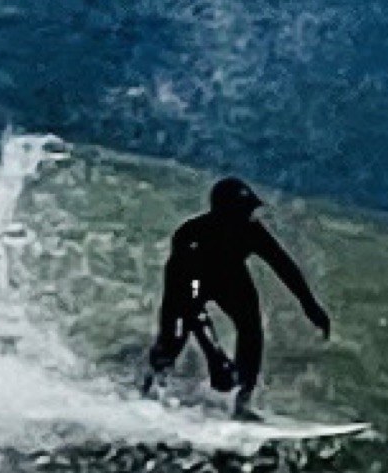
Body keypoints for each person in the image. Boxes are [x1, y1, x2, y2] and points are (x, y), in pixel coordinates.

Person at [141, 177, 332, 420]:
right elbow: (192, 307)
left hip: (229, 277)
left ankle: (242, 402)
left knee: (251, 327)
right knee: (173, 339)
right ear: (223, 212)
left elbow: (283, 265)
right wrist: (215, 356)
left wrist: (310, 305)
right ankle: (149, 393)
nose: (250, 216)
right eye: (243, 211)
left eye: (251, 210)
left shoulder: (251, 230)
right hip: (186, 282)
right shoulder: (190, 237)